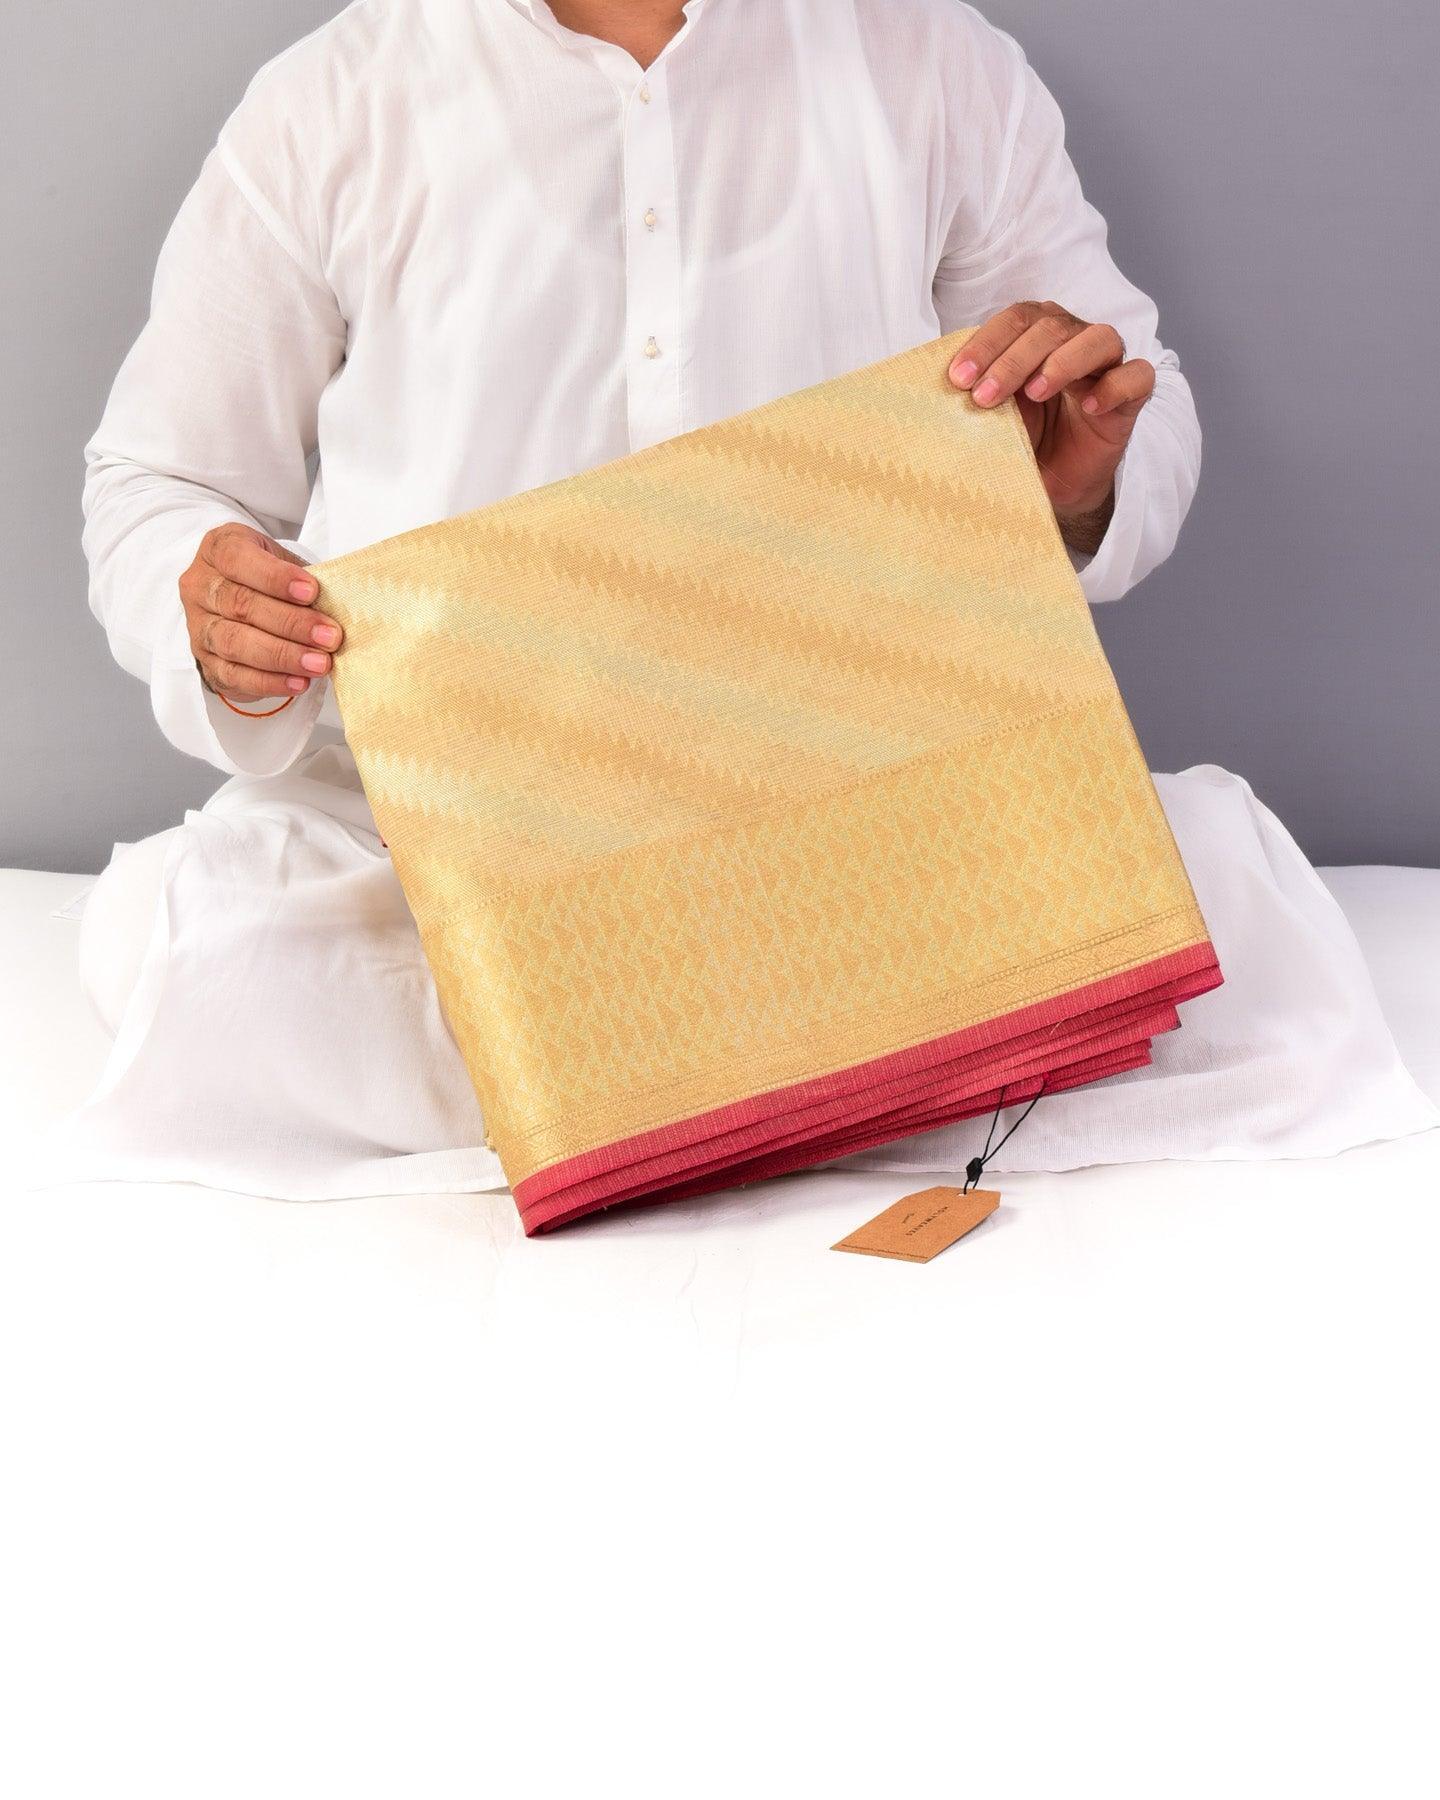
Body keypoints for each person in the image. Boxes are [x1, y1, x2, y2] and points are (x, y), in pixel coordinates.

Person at [56, 0, 1435, 1204]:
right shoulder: (330, 99)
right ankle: (866, 1072)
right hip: (466, 844)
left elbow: (1138, 396)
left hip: (862, 808)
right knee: (192, 941)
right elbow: (157, 478)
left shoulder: (929, 58)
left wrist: (1075, 483)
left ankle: (666, 1090)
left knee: (1231, 897)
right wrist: (212, 615)